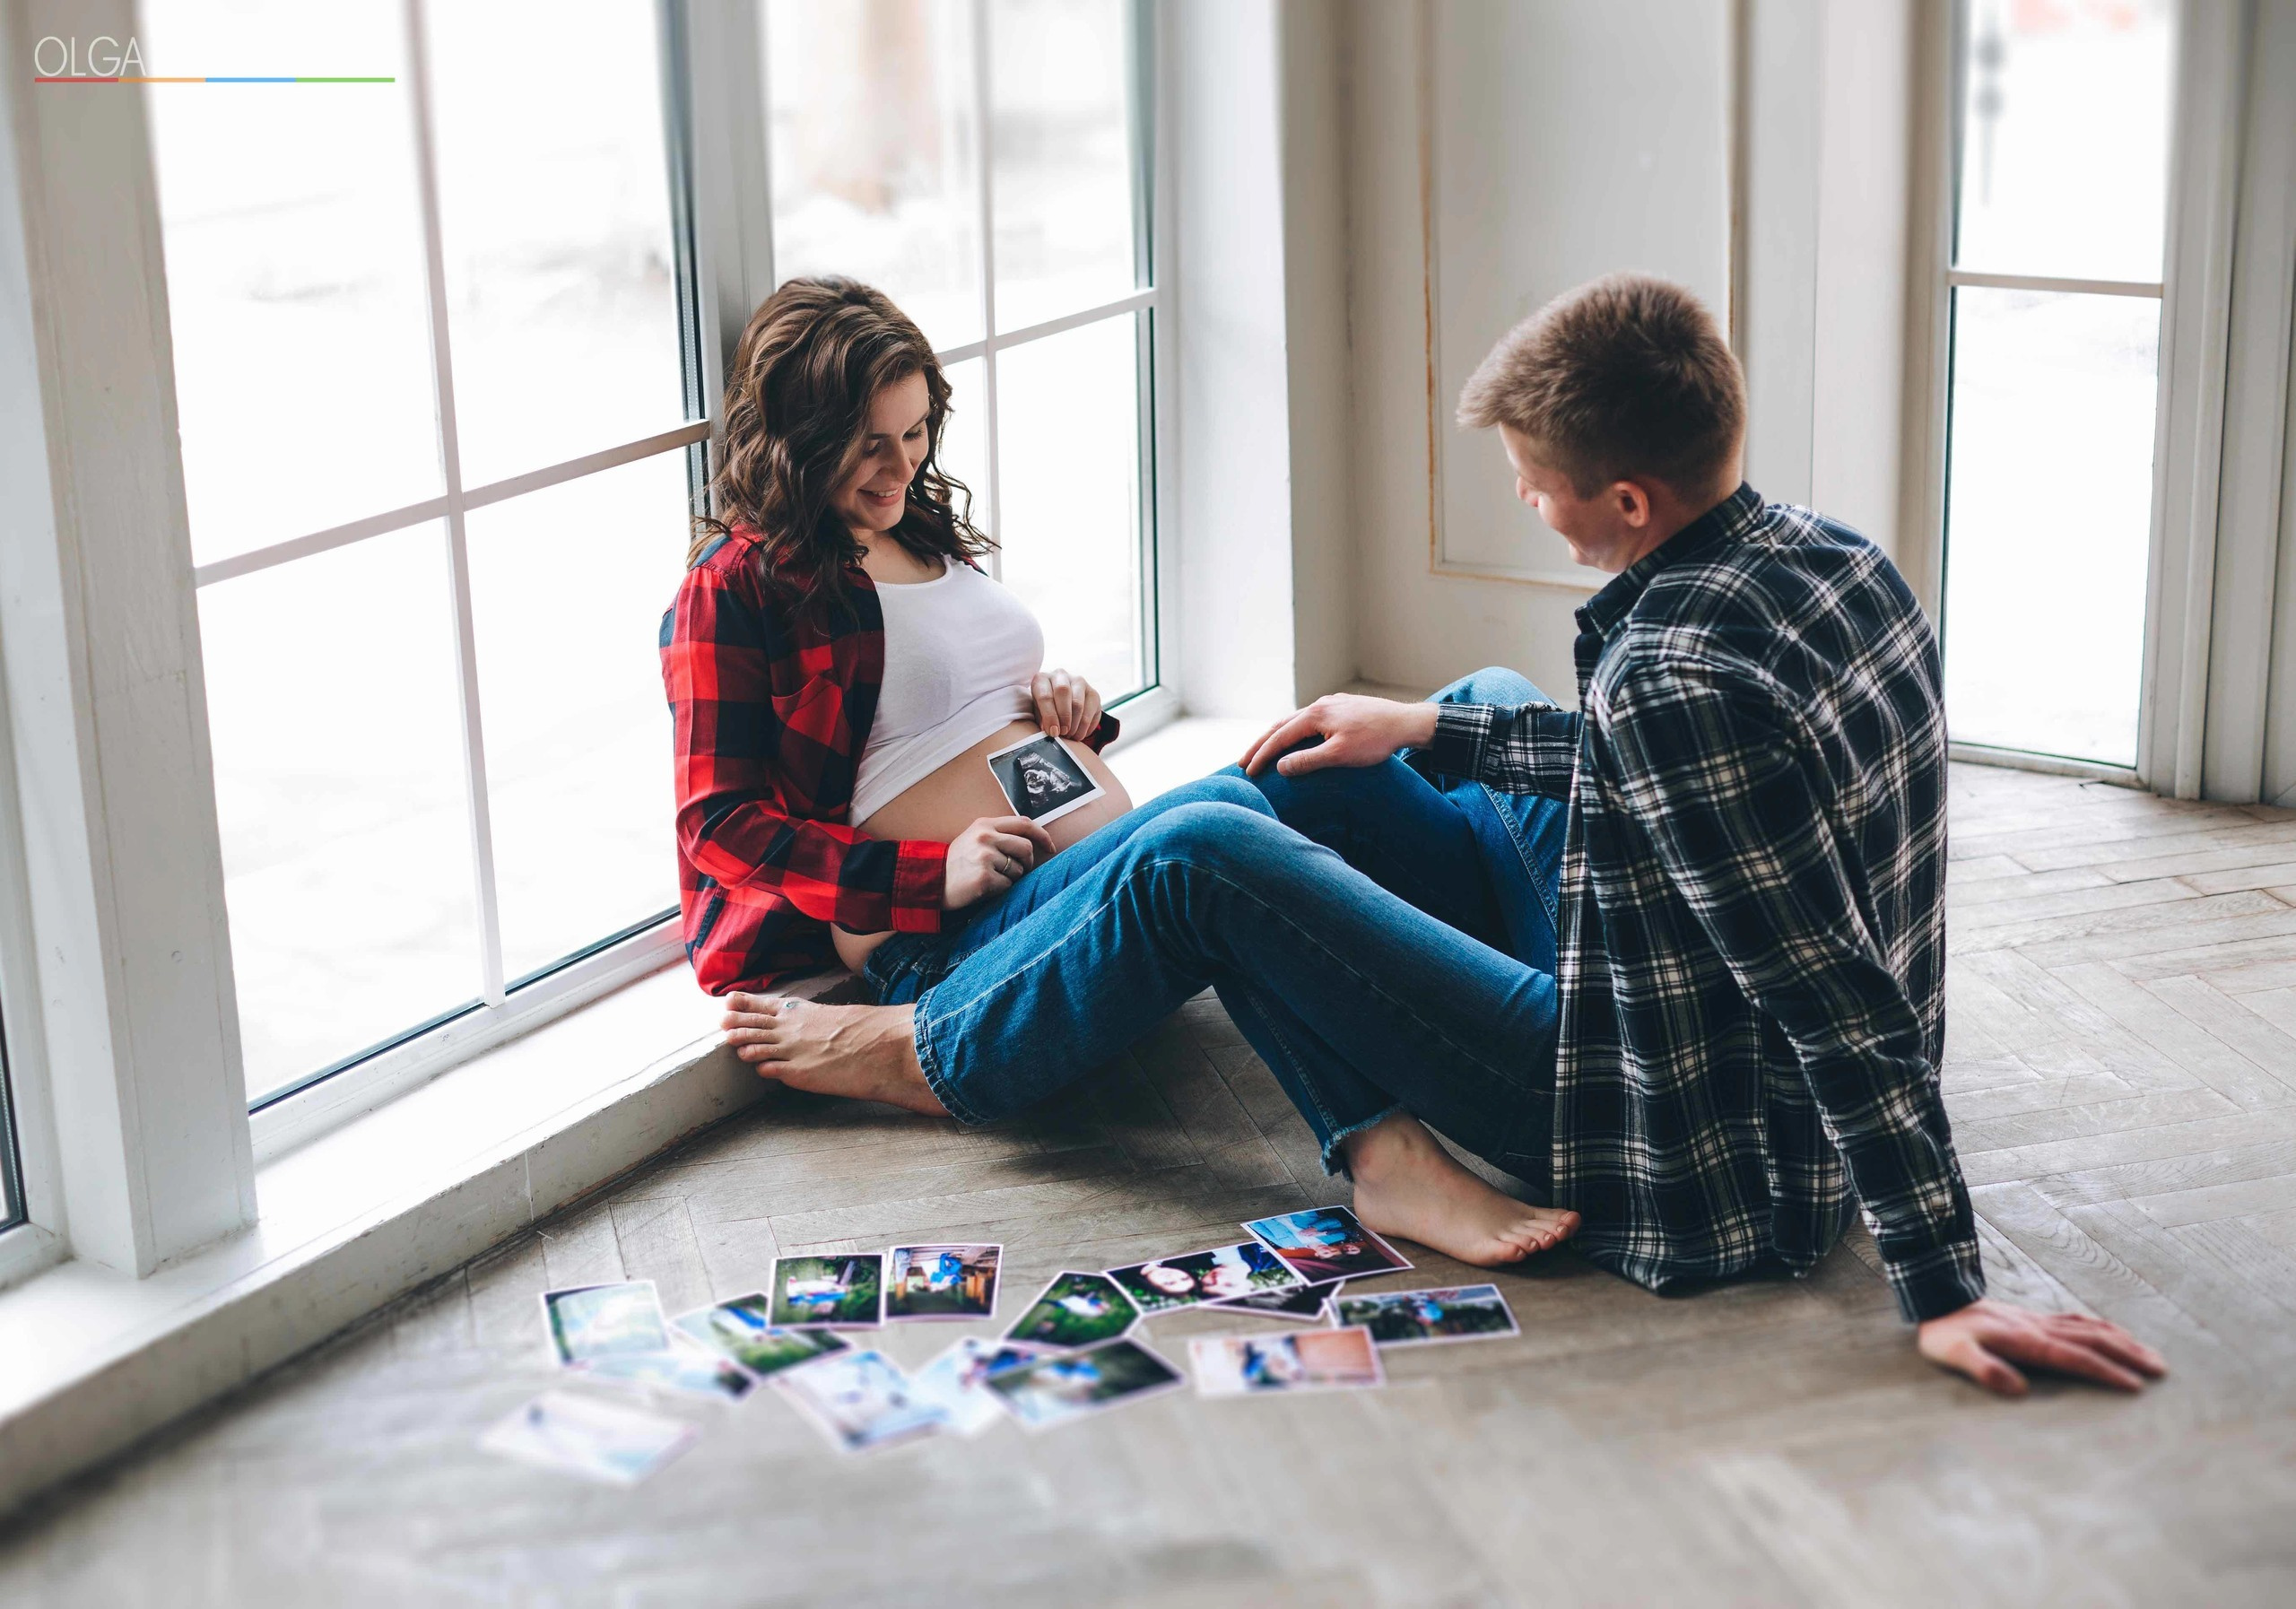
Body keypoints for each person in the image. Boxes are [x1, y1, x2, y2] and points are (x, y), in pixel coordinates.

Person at [708, 273, 2168, 1398]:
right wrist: (1429, 731)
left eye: (1533, 480)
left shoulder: (1672, 687)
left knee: (1210, 853)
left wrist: (1945, 1283)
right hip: (1673, 1023)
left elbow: (1833, 996)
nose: (1524, 500)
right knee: (1453, 705)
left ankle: (964, 1052)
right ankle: (1372, 1081)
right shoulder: (1832, 558)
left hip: (1657, 1127)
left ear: (1626, 499)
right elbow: (1680, 775)